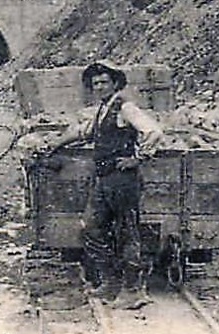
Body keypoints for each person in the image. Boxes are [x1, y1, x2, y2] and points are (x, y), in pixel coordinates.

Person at [69, 60, 165, 309]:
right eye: (95, 83)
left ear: (114, 83)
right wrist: (55, 143)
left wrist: (138, 158)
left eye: (104, 82)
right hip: (104, 180)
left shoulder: (126, 107)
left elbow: (153, 131)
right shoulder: (103, 108)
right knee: (91, 227)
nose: (100, 86)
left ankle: (133, 291)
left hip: (123, 181)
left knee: (127, 232)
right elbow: (85, 132)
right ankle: (111, 281)